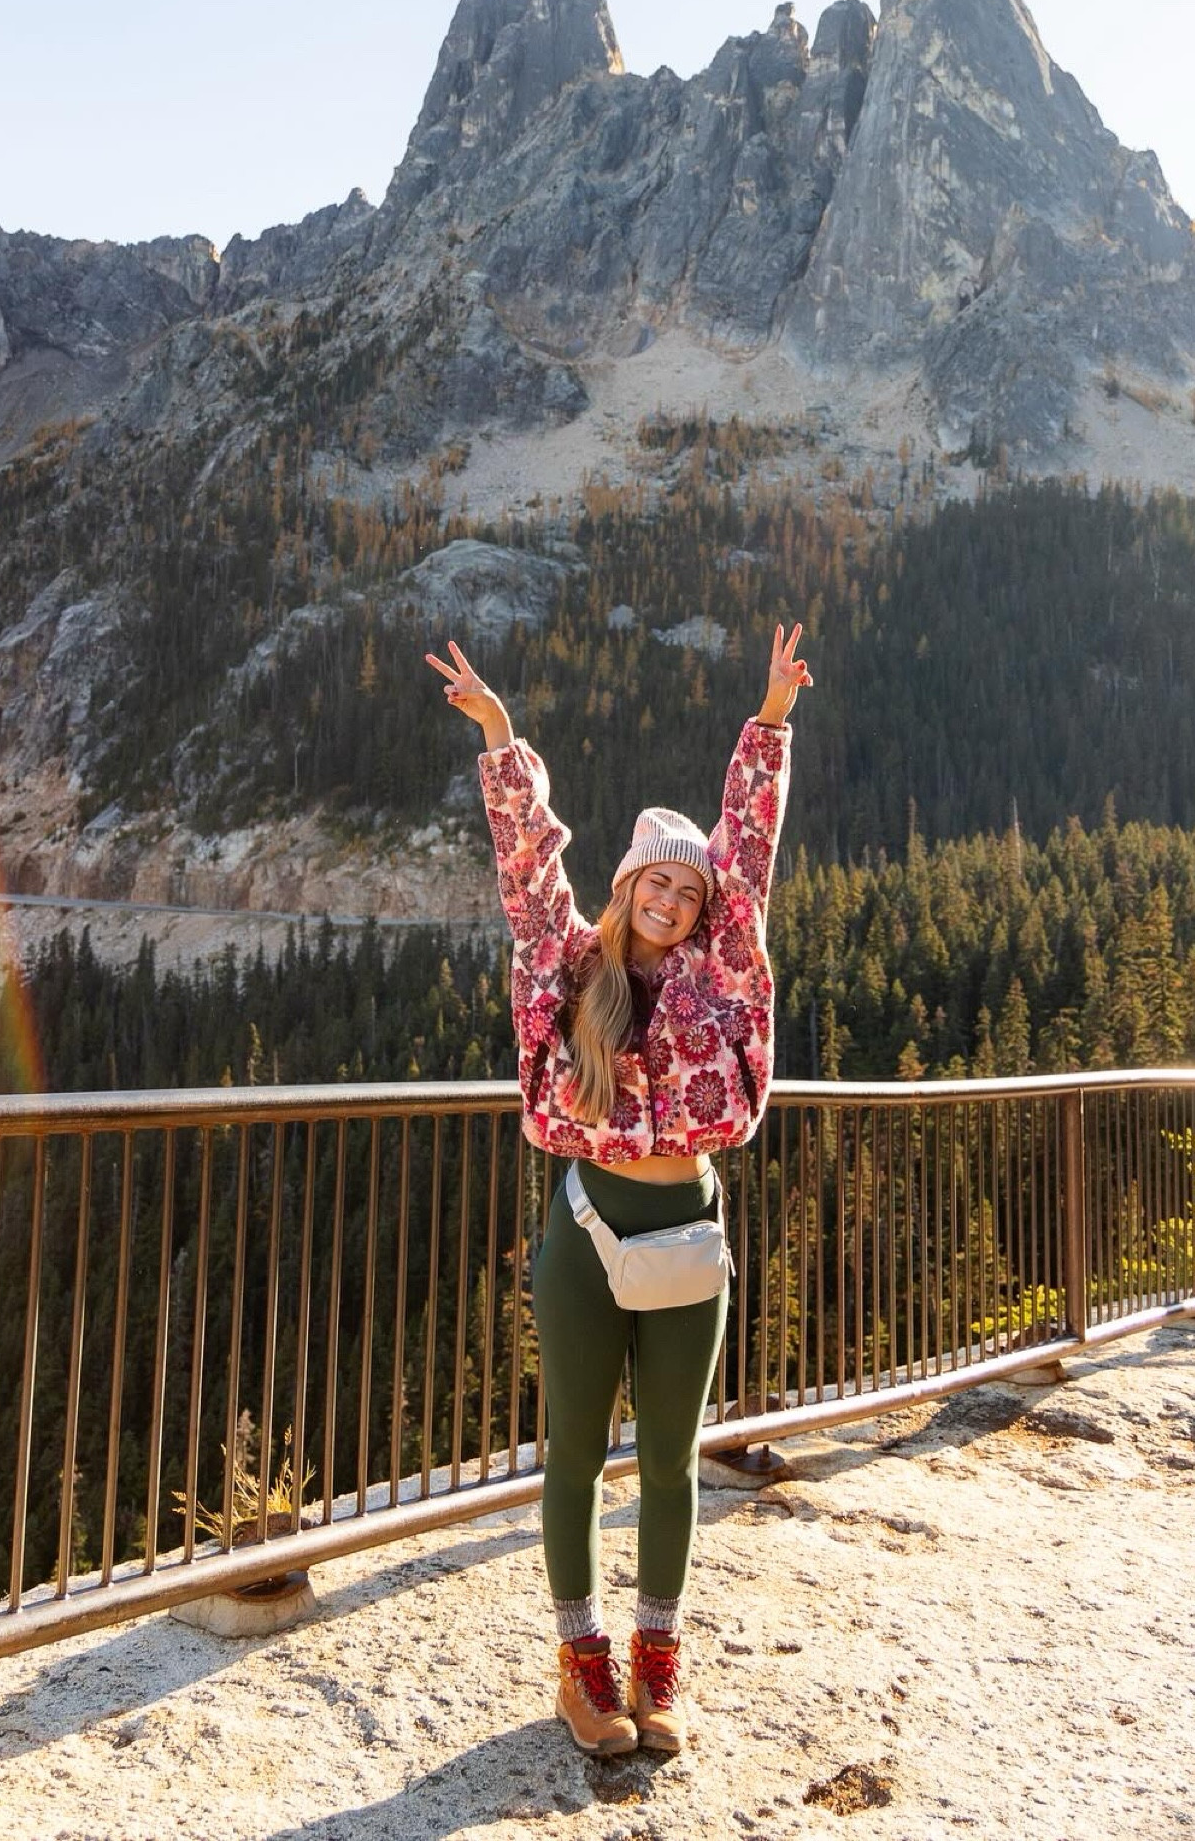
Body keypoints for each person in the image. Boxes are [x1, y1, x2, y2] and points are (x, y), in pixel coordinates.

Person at [426, 623, 812, 1757]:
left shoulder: (725, 965)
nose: (674, 901)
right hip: (588, 1224)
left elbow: (751, 848)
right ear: (628, 882)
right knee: (576, 1451)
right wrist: (501, 740)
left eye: (689, 893)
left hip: (687, 1223)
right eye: (657, 881)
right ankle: (581, 1662)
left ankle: (658, 1657)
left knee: (672, 1457)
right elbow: (523, 868)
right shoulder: (568, 963)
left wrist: (771, 720)